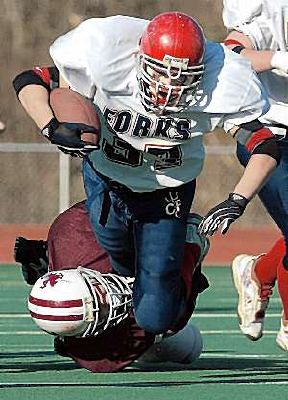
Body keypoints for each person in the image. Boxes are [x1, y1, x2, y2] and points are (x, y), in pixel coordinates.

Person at [13, 11, 281, 335]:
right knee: (122, 261)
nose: (170, 85)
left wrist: (238, 199)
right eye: (161, 72)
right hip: (106, 178)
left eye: (184, 77)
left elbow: (265, 145)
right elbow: (30, 79)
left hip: (167, 192)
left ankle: (188, 248)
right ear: (139, 57)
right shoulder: (105, 56)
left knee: (155, 317)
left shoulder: (222, 81)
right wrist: (50, 126)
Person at [15, 201, 207, 372]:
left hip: (109, 226)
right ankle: (43, 258)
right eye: (103, 309)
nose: (113, 299)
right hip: (82, 251)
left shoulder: (73, 230)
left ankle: (43, 257)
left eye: (98, 294)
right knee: (187, 344)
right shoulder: (100, 356)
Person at [222, 0, 288, 350]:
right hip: (272, 137)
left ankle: (258, 273)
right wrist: (277, 58)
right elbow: (230, 53)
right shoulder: (269, 17)